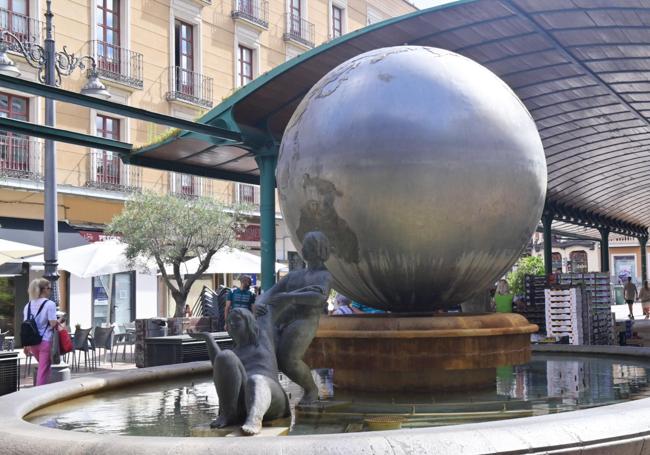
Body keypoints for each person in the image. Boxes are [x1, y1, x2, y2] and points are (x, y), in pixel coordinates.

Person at [256, 231, 332, 405]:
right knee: (268, 355)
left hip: (305, 321)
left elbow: (319, 297)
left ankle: (311, 389)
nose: (303, 248)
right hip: (282, 321)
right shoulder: (294, 275)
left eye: (307, 245)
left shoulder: (324, 276)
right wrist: (260, 302)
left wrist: (291, 297)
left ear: (318, 249)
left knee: (287, 360)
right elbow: (269, 293)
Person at [188, 307, 289, 435]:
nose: (232, 324)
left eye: (237, 320)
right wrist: (207, 338)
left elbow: (270, 304)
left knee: (256, 380)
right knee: (225, 356)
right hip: (246, 400)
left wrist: (261, 308)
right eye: (229, 322)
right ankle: (229, 415)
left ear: (249, 322)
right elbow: (219, 365)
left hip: (273, 397)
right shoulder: (234, 353)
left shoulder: (263, 338)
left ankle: (254, 418)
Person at [23, 278, 57, 386]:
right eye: (50, 289)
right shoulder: (50, 304)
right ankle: (39, 394)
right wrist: (60, 321)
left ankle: (45, 391)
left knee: (44, 369)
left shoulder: (27, 305)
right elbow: (52, 323)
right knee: (43, 370)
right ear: (45, 289)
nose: (51, 291)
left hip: (32, 343)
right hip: (45, 341)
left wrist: (26, 345)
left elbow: (26, 325)